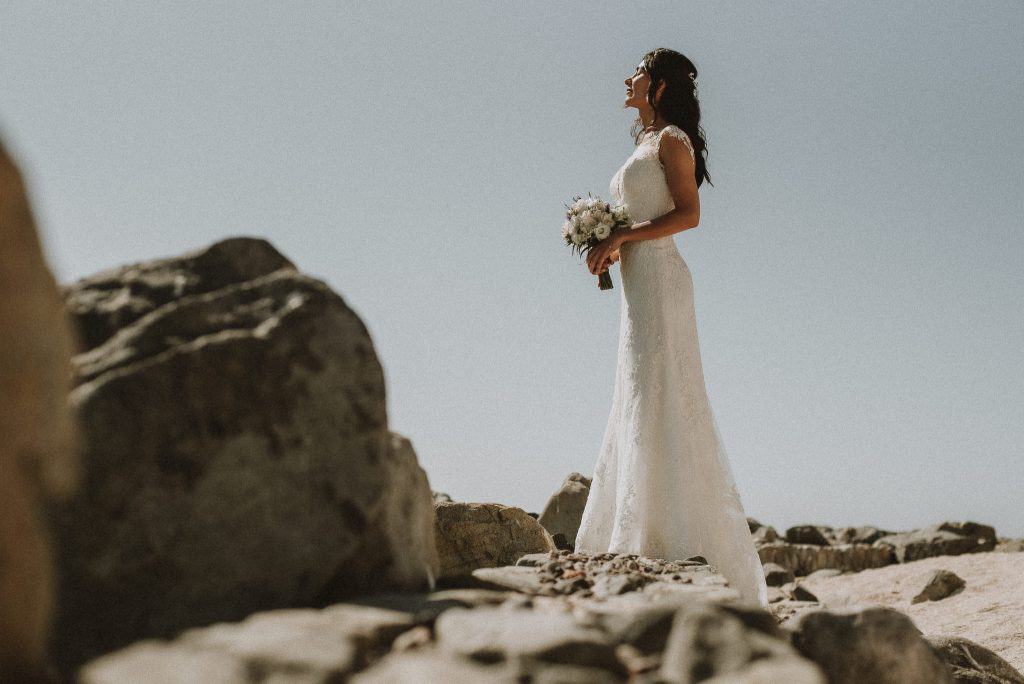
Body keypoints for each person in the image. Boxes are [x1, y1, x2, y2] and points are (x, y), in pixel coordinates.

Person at [575, 48, 769, 610]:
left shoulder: (673, 141)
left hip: (663, 283)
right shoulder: (644, 142)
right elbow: (645, 216)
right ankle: (641, 536)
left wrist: (622, 237)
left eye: (636, 71)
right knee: (637, 393)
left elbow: (688, 215)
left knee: (664, 391)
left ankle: (676, 543)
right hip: (638, 285)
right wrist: (610, 244)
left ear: (657, 86)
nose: (627, 78)